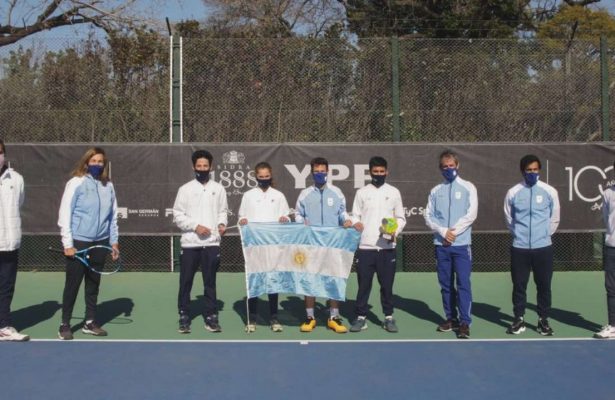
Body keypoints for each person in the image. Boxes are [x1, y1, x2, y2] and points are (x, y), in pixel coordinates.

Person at [57, 147, 119, 340]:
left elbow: (113, 217)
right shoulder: (76, 183)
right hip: (79, 242)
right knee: (73, 285)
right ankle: (65, 324)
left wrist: (114, 242)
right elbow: (64, 215)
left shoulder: (108, 185)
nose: (97, 165)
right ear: (86, 163)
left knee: (93, 285)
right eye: (93, 161)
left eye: (100, 162)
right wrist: (68, 243)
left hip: (100, 242)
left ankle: (90, 322)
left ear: (104, 164)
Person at [294, 157, 353, 334]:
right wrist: (301, 222)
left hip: (333, 244)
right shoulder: (305, 194)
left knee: (334, 278)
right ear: (312, 172)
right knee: (310, 279)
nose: (320, 173)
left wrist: (347, 221)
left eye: (323, 171)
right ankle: (310, 317)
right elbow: (297, 213)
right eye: (317, 171)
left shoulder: (336, 192)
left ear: (328, 171)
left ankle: (333, 317)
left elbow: (343, 212)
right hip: (311, 244)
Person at [504, 154, 560, 336]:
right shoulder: (513, 192)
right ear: (523, 171)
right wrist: (519, 235)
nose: (532, 173)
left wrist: (543, 236)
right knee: (519, 285)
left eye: (535, 169)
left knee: (544, 285)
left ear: (540, 170)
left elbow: (554, 218)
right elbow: (508, 218)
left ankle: (543, 320)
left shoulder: (550, 191)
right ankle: (519, 319)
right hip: (519, 248)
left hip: (543, 247)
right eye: (529, 170)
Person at [424, 150, 477, 339]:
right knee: (446, 285)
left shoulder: (469, 187)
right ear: (440, 168)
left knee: (463, 284)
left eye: (451, 166)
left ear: (457, 165)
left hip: (462, 245)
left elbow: (471, 214)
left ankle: (464, 322)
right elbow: (428, 216)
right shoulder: (436, 190)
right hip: (441, 245)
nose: (448, 169)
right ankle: (451, 319)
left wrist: (452, 232)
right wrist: (442, 232)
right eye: (445, 167)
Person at [173, 150, 227, 334]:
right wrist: (196, 226)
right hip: (190, 244)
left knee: (210, 282)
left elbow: (222, 212)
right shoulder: (185, 189)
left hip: (211, 244)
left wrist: (221, 224)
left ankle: (211, 317)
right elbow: (177, 216)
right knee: (185, 282)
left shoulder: (218, 189)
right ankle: (184, 316)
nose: (202, 169)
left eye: (205, 166)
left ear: (211, 167)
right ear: (193, 167)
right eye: (199, 166)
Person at [349, 156, 406, 333]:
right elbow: (354, 215)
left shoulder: (394, 192)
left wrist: (394, 232)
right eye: (375, 172)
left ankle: (388, 317)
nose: (379, 174)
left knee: (387, 286)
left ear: (387, 172)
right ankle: (361, 318)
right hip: (366, 247)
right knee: (363, 285)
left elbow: (401, 218)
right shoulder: (362, 192)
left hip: (387, 248)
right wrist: (355, 222)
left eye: (382, 172)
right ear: (370, 172)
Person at [238, 162, 289, 333]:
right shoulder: (248, 196)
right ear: (255, 177)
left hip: (273, 247)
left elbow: (286, 217)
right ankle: (251, 319)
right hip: (255, 247)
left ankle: (274, 318)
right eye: (261, 177)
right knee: (255, 281)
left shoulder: (279, 195)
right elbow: (241, 217)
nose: (264, 179)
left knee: (273, 282)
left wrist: (284, 219)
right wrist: (243, 221)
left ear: (271, 176)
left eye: (267, 176)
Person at [0, 139, 29, 342]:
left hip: (10, 243)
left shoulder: (16, 179)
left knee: (6, 287)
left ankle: (3, 326)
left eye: (0, 152)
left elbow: (19, 202)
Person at [595, 161, 615, 339]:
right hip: (612, 247)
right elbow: (606, 218)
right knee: (611, 288)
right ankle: (613, 325)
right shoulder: (608, 193)